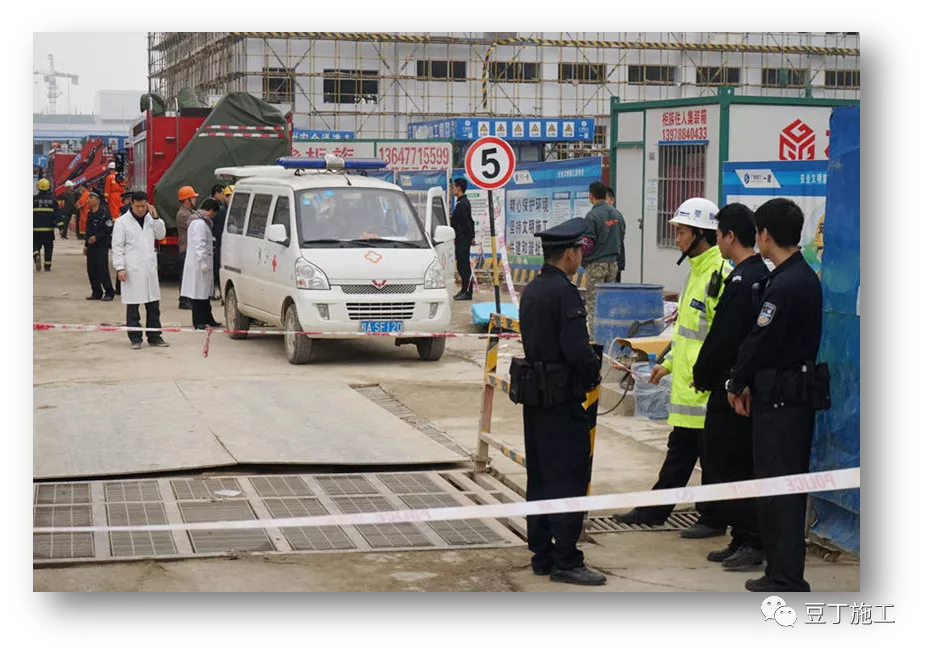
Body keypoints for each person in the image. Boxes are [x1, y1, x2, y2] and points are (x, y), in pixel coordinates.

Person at [724, 198, 827, 593]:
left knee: (780, 491)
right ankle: (778, 571)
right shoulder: (796, 277)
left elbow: (759, 342)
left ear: (765, 235)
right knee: (774, 489)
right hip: (782, 397)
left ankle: (786, 578)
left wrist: (736, 382)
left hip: (783, 402)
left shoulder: (786, 284)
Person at [612, 197, 731, 538]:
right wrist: (665, 362)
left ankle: (712, 518)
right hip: (688, 387)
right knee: (681, 453)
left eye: (681, 231)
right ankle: (655, 510)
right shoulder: (697, 271)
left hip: (706, 388)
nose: (676, 238)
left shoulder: (720, 274)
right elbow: (687, 332)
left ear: (701, 234)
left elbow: (723, 336)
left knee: (713, 460)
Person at [512, 216, 606, 586]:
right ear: (569, 254)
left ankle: (542, 553)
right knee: (568, 476)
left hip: (536, 397)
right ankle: (567, 558)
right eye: (579, 250)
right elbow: (576, 349)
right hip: (562, 398)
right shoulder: (565, 293)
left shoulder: (532, 290)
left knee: (540, 475)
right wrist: (593, 373)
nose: (580, 256)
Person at [690, 203, 769, 571]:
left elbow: (724, 340)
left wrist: (704, 375)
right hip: (732, 386)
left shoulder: (743, 281)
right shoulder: (753, 276)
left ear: (729, 237)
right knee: (726, 463)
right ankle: (741, 535)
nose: (718, 242)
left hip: (732, 391)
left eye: (719, 235)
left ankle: (752, 538)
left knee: (730, 464)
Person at [111, 190, 170, 349]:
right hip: (132, 269)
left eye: (144, 206)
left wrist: (156, 218)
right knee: (133, 307)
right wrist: (120, 268)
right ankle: (135, 338)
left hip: (149, 269)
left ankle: (155, 336)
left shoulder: (151, 219)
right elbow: (117, 247)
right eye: (138, 206)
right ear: (132, 204)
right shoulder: (122, 222)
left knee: (153, 306)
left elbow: (161, 235)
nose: (141, 209)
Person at [582, 181, 624, 339]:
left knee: (594, 304)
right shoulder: (617, 214)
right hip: (613, 264)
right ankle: (609, 336)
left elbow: (587, 243)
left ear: (591, 195)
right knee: (608, 302)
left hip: (596, 265)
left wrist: (582, 258)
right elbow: (621, 236)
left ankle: (595, 339)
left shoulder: (592, 216)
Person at [180, 198, 223, 329]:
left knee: (204, 295)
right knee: (198, 295)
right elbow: (200, 243)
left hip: (202, 263)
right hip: (199, 264)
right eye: (214, 214)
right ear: (211, 211)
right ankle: (198, 321)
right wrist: (203, 260)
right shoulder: (199, 223)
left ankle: (208, 318)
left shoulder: (200, 222)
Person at [82, 188, 116, 301]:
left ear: (97, 200)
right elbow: (88, 231)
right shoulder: (90, 214)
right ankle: (96, 292)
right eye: (88, 198)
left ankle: (109, 292)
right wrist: (86, 245)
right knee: (91, 270)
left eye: (91, 198)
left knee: (102, 269)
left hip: (101, 245)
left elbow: (108, 229)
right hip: (91, 246)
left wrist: (97, 237)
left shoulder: (104, 214)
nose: (88, 200)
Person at [449, 177, 475, 301]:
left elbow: (467, 223)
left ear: (459, 188)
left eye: (453, 187)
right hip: (461, 238)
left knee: (463, 266)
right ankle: (464, 290)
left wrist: (470, 237)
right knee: (461, 266)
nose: (452, 189)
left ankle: (468, 292)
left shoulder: (463, 203)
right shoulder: (461, 202)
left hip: (463, 239)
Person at [32, 178, 63, 272]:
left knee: (33, 245)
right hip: (48, 230)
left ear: (38, 187)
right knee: (48, 248)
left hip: (35, 230)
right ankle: (47, 266)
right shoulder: (52, 200)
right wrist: (61, 227)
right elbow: (57, 214)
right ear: (48, 187)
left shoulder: (33, 200)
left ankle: (36, 254)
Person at [176, 185, 199, 310]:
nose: (195, 200)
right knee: (185, 276)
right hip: (185, 249)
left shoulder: (190, 212)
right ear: (186, 200)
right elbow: (197, 221)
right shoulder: (183, 214)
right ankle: (183, 300)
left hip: (190, 249)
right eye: (192, 198)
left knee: (189, 275)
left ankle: (188, 298)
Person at [210, 184, 229, 300]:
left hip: (222, 242)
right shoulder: (221, 209)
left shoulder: (225, 208)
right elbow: (218, 228)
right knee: (217, 267)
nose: (226, 197)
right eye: (225, 195)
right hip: (220, 242)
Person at [605, 186, 627, 282]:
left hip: (614, 261)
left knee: (613, 291)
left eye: (605, 199)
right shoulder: (601, 216)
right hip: (604, 262)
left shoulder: (615, 217)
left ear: (612, 200)